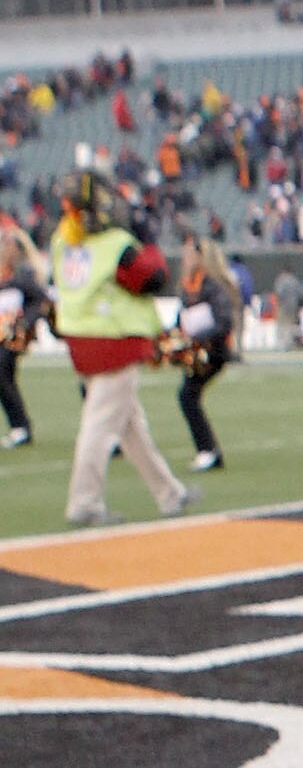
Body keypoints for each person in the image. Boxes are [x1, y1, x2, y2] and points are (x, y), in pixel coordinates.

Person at [52, 169, 189, 526]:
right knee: (100, 425)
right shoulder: (115, 244)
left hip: (81, 340)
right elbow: (152, 278)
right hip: (115, 339)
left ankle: (170, 492)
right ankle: (85, 502)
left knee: (130, 426)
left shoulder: (62, 241)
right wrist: (149, 240)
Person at [170, 231, 237, 470]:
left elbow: (223, 321)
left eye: (190, 254)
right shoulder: (189, 285)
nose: (185, 259)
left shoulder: (212, 286)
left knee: (187, 396)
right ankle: (208, 451)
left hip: (213, 351)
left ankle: (209, 451)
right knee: (188, 396)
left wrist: (199, 336)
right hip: (197, 350)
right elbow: (181, 318)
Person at [0, 220, 50, 447]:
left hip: (12, 338)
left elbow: (40, 301)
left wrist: (24, 324)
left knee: (3, 372)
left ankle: (21, 426)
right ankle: (20, 426)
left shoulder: (22, 280)